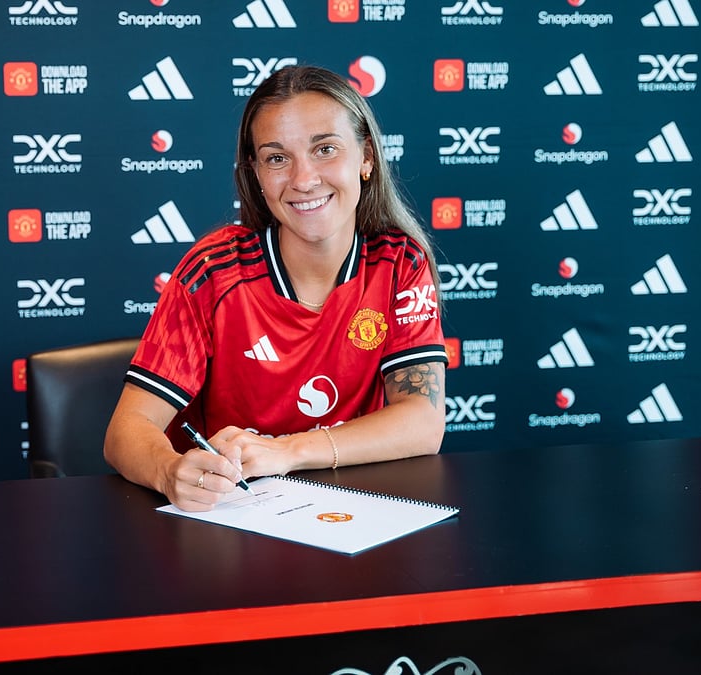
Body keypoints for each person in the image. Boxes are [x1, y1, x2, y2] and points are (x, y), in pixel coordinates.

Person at [104, 65, 447, 511]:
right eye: (277, 158)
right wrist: (169, 472)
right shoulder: (213, 271)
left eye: (325, 149)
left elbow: (423, 422)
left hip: (354, 511)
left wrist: (288, 450)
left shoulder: (399, 261)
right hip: (231, 514)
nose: (303, 179)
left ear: (366, 157)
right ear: (257, 174)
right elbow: (125, 431)